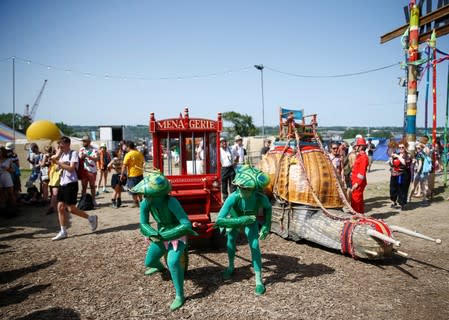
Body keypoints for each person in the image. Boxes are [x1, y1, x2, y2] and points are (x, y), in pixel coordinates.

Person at [133, 172, 198, 311]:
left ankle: (180, 295)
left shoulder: (171, 202)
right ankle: (160, 267)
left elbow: (186, 224)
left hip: (177, 234)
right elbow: (143, 224)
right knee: (149, 262)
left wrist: (167, 235)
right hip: (160, 234)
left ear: (160, 194)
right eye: (146, 194)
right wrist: (152, 233)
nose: (146, 196)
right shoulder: (145, 202)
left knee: (173, 262)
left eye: (150, 194)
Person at [215, 165, 272, 295]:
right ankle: (230, 266)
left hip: (251, 222)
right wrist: (240, 221)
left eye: (246, 188)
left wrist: (266, 226)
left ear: (253, 189)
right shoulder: (233, 197)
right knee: (230, 241)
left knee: (255, 245)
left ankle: (259, 280)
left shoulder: (260, 197)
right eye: (240, 187)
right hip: (235, 220)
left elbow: (268, 208)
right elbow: (219, 220)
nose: (241, 190)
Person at [51, 136, 98, 241]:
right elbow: (58, 166)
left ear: (67, 144)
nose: (59, 146)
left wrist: (59, 163)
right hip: (62, 183)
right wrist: (58, 159)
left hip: (71, 184)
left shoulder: (74, 154)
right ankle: (63, 231)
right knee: (60, 207)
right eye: (59, 144)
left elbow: (72, 168)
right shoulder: (62, 154)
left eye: (61, 144)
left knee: (71, 209)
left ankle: (91, 218)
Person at [121, 141, 145, 208]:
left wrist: (122, 174)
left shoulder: (128, 155)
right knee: (140, 189)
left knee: (133, 190)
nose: (126, 148)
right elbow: (143, 162)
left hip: (132, 175)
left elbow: (124, 165)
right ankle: (141, 201)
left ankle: (136, 203)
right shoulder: (139, 153)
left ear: (128, 147)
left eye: (127, 147)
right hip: (140, 174)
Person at [388, 143, 411, 210]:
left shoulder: (408, 155)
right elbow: (392, 164)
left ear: (405, 147)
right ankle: (393, 202)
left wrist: (398, 157)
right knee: (393, 188)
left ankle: (402, 204)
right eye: (399, 147)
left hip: (404, 174)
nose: (401, 149)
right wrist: (391, 159)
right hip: (394, 174)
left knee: (402, 189)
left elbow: (405, 163)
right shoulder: (396, 154)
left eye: (402, 147)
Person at [350, 137, 369, 213]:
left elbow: (362, 173)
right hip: (356, 181)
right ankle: (359, 214)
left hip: (358, 183)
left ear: (361, 147)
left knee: (356, 200)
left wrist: (357, 184)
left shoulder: (363, 157)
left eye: (357, 146)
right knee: (358, 199)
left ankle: (356, 215)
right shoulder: (360, 156)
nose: (355, 147)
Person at [79, 136, 99, 205]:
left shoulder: (94, 149)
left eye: (85, 141)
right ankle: (82, 201)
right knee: (84, 186)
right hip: (84, 171)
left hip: (92, 171)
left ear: (89, 142)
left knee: (92, 186)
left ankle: (93, 200)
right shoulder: (81, 149)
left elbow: (97, 159)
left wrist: (88, 156)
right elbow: (79, 159)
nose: (83, 142)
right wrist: (82, 157)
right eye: (83, 141)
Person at [0, 146, 16, 214]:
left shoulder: (9, 160)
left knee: (10, 193)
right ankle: (3, 208)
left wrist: (7, 169)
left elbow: (13, 170)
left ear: (3, 153)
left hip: (6, 176)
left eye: (0, 152)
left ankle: (14, 208)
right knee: (1, 194)